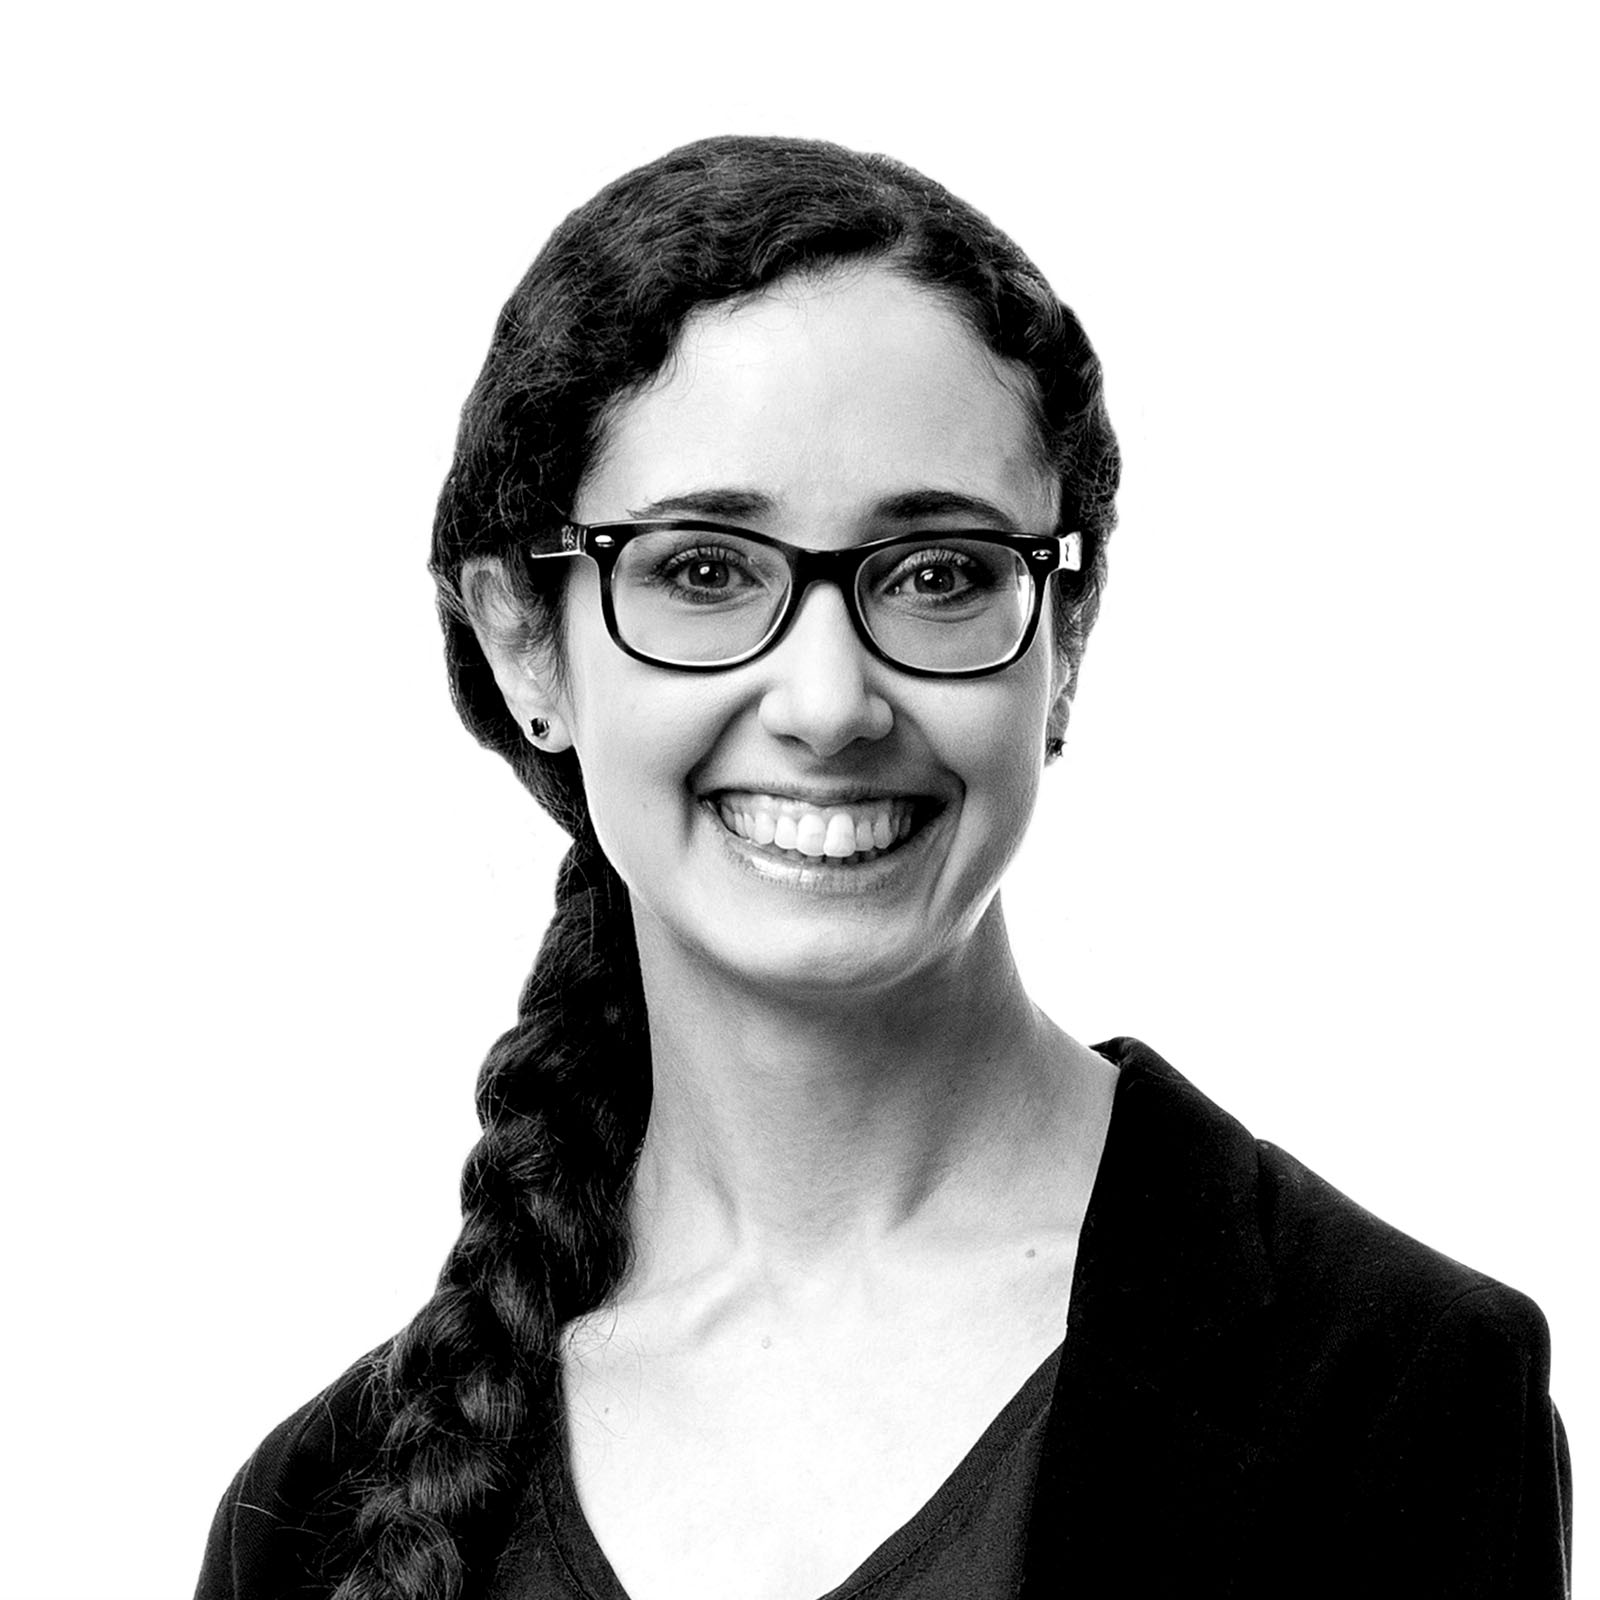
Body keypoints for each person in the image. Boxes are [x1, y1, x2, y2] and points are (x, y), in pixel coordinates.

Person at [195, 135, 1571, 1600]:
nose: (829, 701)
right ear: (524, 639)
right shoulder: (313, 1519)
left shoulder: (1396, 1391)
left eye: (937, 575)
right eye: (705, 570)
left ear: (1066, 639)